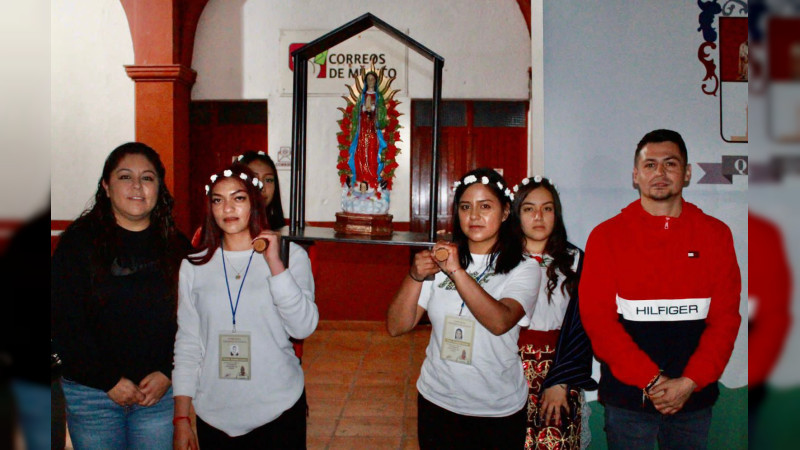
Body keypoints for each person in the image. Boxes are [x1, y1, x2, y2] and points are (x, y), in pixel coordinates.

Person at [579, 129, 741, 449]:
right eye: (650, 165)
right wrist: (651, 380)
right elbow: (598, 322)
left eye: (670, 164)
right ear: (636, 175)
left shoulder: (716, 235)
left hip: (693, 400)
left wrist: (689, 382)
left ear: (688, 173)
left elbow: (725, 320)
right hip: (628, 401)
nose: (660, 173)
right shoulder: (606, 237)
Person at [387, 168, 541, 449]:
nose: (474, 216)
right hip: (438, 400)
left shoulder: (525, 267)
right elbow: (397, 326)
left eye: (485, 206)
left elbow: (499, 321)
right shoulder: (440, 259)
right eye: (465, 207)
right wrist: (415, 276)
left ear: (506, 212)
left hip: (496, 408)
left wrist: (456, 271)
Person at [51, 142, 190, 449]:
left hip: (158, 395)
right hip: (92, 395)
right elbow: (64, 321)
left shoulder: (177, 247)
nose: (137, 186)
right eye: (126, 177)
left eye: (148, 178)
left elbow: (193, 322)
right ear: (106, 185)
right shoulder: (77, 245)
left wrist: (169, 372)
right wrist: (108, 380)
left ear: (159, 187)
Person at [172, 163, 318, 449]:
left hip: (278, 407)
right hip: (214, 413)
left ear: (254, 202)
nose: (228, 208)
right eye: (218, 199)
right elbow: (188, 343)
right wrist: (181, 418)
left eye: (238, 198)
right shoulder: (193, 266)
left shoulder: (291, 257)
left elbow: (303, 326)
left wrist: (275, 265)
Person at [512, 176, 598, 450]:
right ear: (516, 214)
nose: (539, 216)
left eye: (547, 208)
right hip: (507, 369)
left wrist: (560, 380)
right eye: (529, 209)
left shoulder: (575, 261)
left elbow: (584, 325)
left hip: (560, 367)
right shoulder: (501, 259)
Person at [347, 71, 387, 190]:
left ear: (376, 81)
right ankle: (360, 177)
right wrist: (364, 109)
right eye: (368, 79)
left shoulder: (378, 97)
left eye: (372, 79)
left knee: (372, 151)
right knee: (360, 151)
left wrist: (374, 110)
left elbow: (382, 114)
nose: (370, 81)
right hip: (363, 128)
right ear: (365, 82)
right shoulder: (362, 96)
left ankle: (372, 178)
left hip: (373, 128)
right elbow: (356, 113)